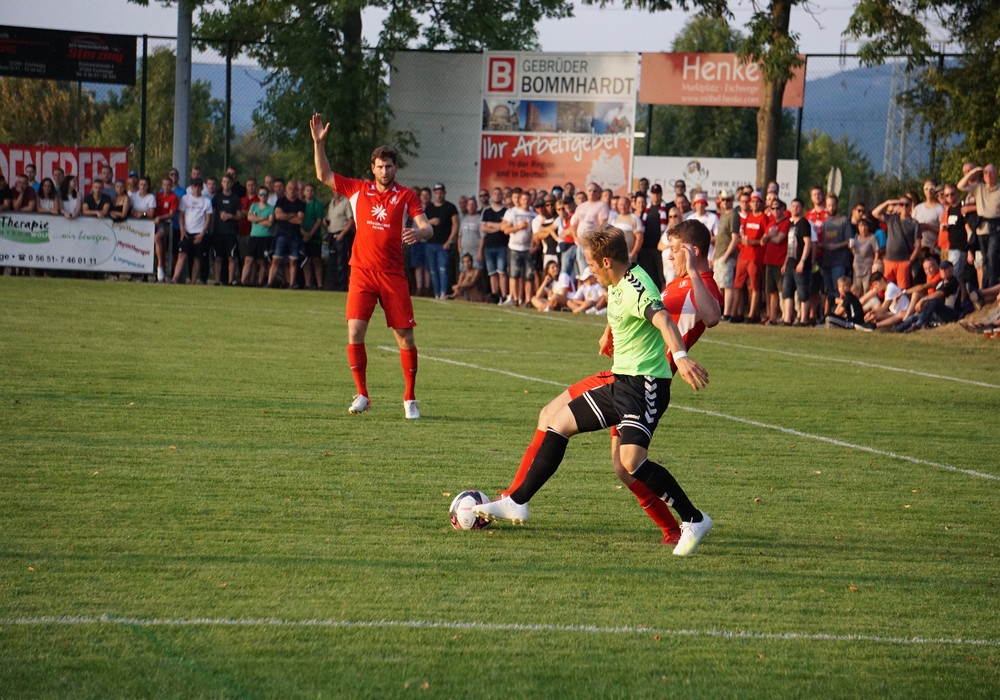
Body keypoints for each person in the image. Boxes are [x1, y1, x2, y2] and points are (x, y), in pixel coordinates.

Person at [473, 223, 714, 556]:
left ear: (606, 262)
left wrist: (682, 357)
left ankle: (693, 519)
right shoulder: (617, 282)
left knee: (631, 463)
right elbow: (625, 306)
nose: (588, 270)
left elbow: (662, 318)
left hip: (645, 385)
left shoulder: (637, 286)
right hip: (621, 381)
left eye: (590, 263)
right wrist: (609, 332)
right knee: (558, 421)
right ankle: (517, 500)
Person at [311, 112, 432, 419]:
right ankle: (363, 394)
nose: (384, 170)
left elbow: (427, 227)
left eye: (389, 166)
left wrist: (419, 233)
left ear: (395, 168)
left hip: (392, 274)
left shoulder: (406, 196)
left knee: (405, 336)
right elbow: (323, 175)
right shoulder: (357, 189)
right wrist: (318, 144)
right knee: (354, 331)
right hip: (362, 272)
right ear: (372, 168)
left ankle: (410, 398)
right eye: (379, 166)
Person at [872, 195, 920, 290]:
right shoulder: (892, 218)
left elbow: (918, 245)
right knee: (887, 287)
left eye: (907, 205)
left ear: (911, 206)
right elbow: (874, 213)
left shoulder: (914, 224)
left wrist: (910, 261)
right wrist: (888, 202)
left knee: (902, 289)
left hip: (904, 261)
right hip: (889, 260)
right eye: (901, 204)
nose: (904, 207)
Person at [170, 178, 213, 284]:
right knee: (182, 255)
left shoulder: (206, 201)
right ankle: (175, 278)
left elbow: (208, 219)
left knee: (197, 258)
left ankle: (192, 282)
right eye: (195, 186)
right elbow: (181, 215)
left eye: (199, 186)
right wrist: (182, 229)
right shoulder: (185, 199)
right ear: (192, 187)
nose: (197, 189)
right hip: (186, 232)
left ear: (202, 188)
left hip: (199, 233)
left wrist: (202, 233)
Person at [424, 183, 460, 300]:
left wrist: (449, 241)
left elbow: (456, 224)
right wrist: (431, 221)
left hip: (443, 245)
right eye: (437, 193)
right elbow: (422, 223)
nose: (439, 195)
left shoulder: (450, 207)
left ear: (444, 193)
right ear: (434, 194)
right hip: (430, 244)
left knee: (443, 269)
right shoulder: (429, 208)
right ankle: (436, 293)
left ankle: (443, 293)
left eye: (441, 193)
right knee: (433, 271)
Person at [267, 178, 304, 288]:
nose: (292, 190)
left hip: (294, 236)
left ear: (297, 190)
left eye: (294, 189)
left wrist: (285, 216)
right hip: (281, 235)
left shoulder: (300, 204)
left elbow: (300, 220)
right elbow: (278, 216)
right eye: (290, 188)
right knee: (276, 259)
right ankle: (269, 283)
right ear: (286, 189)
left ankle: (292, 284)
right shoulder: (280, 201)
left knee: (293, 261)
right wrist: (293, 215)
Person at [502, 190, 536, 306]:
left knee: (528, 276)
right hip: (514, 247)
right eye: (524, 199)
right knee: (514, 274)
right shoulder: (513, 213)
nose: (526, 202)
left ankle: (527, 300)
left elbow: (536, 232)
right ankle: (514, 298)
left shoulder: (533, 214)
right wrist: (519, 227)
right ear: (520, 201)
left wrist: (535, 245)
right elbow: (506, 230)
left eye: (528, 199)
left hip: (528, 248)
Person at [782, 199, 813, 325]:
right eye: (793, 206)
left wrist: (802, 261)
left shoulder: (804, 223)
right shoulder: (791, 224)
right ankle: (787, 319)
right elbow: (789, 246)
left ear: (802, 208)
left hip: (800, 264)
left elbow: (808, 243)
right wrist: (785, 262)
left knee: (802, 292)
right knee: (787, 292)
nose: (795, 208)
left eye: (798, 206)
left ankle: (804, 319)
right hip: (790, 263)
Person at [478, 186, 510, 304]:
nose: (497, 196)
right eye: (495, 194)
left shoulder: (506, 211)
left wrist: (490, 224)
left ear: (502, 196)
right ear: (492, 196)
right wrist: (498, 227)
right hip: (489, 246)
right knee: (492, 273)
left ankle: (504, 296)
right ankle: (495, 296)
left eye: (499, 194)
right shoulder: (486, 211)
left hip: (502, 246)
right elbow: (483, 227)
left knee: (502, 272)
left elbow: (504, 227)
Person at [212, 173, 243, 286]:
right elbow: (212, 214)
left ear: (232, 183)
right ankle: (217, 281)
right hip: (218, 232)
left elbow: (239, 216)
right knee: (217, 258)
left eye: (228, 182)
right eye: (224, 182)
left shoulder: (235, 198)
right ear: (221, 183)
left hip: (230, 232)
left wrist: (231, 216)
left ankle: (230, 281)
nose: (226, 184)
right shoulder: (217, 197)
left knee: (231, 257)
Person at [713, 190, 739, 320]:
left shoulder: (733, 215)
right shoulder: (723, 215)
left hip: (726, 255)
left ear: (732, 200)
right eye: (723, 200)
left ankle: (727, 313)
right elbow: (719, 238)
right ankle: (720, 312)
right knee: (719, 285)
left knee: (727, 285)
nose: (725, 202)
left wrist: (726, 255)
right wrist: (714, 255)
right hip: (719, 253)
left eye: (728, 199)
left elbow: (735, 238)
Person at [242, 185, 275, 287]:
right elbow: (249, 218)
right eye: (261, 194)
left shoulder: (271, 208)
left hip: (265, 237)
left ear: (268, 196)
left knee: (262, 261)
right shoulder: (254, 206)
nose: (263, 196)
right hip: (254, 236)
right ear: (258, 195)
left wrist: (256, 219)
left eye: (265, 194)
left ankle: (260, 283)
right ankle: (242, 281)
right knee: (248, 259)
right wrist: (264, 218)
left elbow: (270, 223)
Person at [325, 189, 355, 291]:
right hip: (332, 235)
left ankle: (342, 285)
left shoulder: (345, 202)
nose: (336, 192)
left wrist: (342, 234)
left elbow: (351, 220)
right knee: (332, 261)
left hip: (342, 234)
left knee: (341, 261)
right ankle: (333, 284)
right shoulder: (331, 202)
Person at [153, 176, 179, 282]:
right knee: (158, 248)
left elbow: (171, 214)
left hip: (166, 224)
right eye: (164, 185)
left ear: (171, 186)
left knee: (157, 238)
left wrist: (160, 217)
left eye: (168, 185)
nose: (166, 187)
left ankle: (160, 267)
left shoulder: (174, 197)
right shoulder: (158, 196)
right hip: (154, 223)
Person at [300, 183, 325, 290]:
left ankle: (319, 284)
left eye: (311, 190)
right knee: (306, 260)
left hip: (315, 237)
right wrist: (303, 233)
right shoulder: (301, 204)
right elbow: (298, 220)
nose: (309, 193)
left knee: (316, 260)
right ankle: (307, 283)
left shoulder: (318, 204)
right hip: (303, 236)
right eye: (307, 190)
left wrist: (310, 234)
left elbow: (319, 220)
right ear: (304, 192)